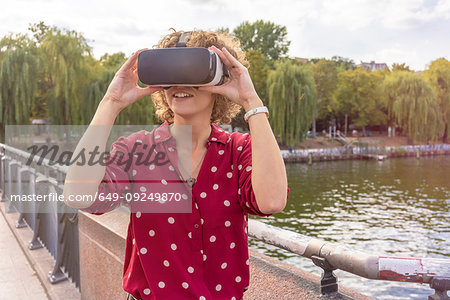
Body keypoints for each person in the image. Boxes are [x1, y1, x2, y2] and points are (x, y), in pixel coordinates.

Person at [63, 30, 288, 300]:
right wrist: (110, 104)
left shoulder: (238, 150)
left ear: (219, 79)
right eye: (169, 74)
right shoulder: (138, 149)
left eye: (192, 72)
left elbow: (271, 201)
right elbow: (79, 196)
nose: (179, 84)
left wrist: (252, 101)